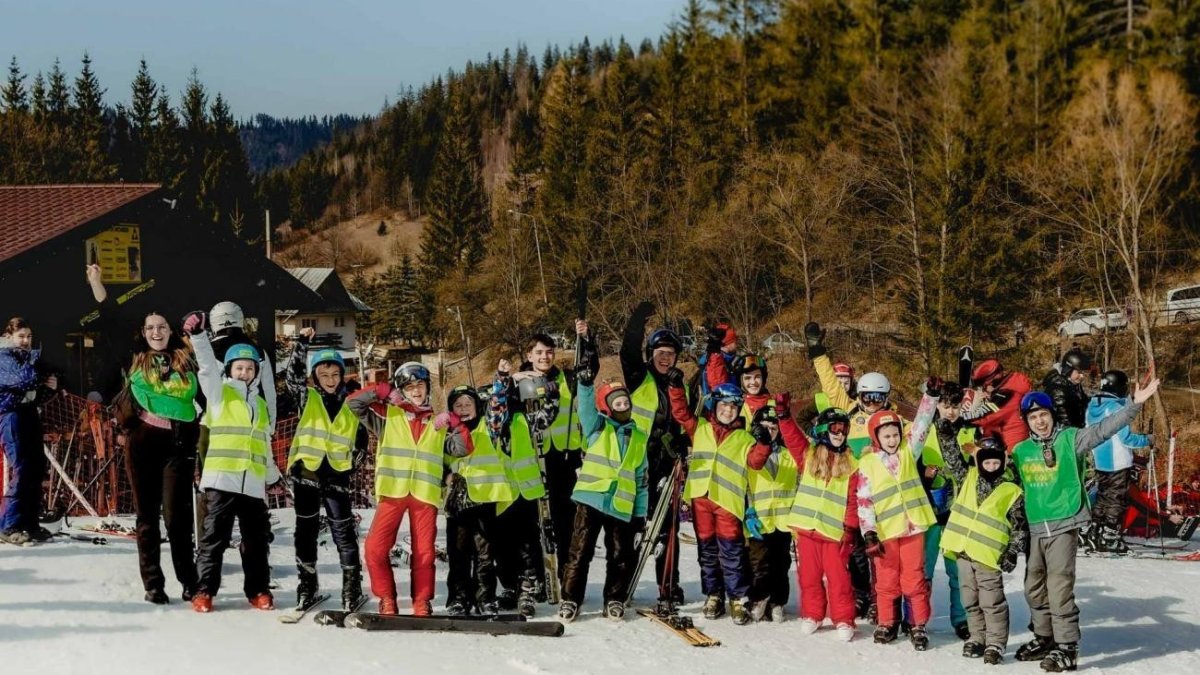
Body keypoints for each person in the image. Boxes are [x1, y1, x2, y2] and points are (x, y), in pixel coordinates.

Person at [1010, 379, 1159, 672]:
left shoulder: (1071, 440)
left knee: (1059, 586)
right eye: (1033, 417)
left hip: (1064, 523)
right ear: (1027, 421)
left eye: (1044, 415)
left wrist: (1134, 404)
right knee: (1033, 587)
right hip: (1037, 527)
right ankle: (1044, 637)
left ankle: (1067, 647)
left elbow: (1105, 430)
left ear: (1052, 415)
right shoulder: (1021, 451)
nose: (1040, 421)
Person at [185, 313, 283, 613]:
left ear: (255, 372)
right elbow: (205, 369)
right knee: (214, 538)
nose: (244, 372)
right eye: (239, 368)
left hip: (252, 483)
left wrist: (272, 475)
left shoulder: (261, 405)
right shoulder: (219, 395)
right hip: (222, 479)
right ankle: (204, 590)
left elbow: (263, 443)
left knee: (256, 542)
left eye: (249, 368)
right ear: (229, 369)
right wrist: (199, 337)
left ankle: (258, 590)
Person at [667, 378, 768, 625]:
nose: (727, 411)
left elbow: (756, 462)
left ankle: (737, 598)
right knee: (707, 553)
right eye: (723, 405)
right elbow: (681, 413)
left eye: (733, 407)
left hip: (728, 502)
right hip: (701, 499)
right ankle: (714, 594)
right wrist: (675, 388)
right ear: (715, 406)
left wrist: (764, 442)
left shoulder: (744, 438)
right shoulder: (700, 428)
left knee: (731, 553)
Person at [348, 361, 445, 616]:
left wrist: (455, 422)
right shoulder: (386, 415)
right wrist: (383, 390)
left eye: (420, 386)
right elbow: (354, 403)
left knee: (424, 553)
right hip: (393, 492)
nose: (416, 391)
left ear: (428, 388)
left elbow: (461, 447)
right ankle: (387, 598)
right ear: (401, 389)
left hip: (425, 495)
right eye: (409, 386)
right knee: (374, 549)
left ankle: (422, 601)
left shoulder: (438, 423)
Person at [282, 327, 365, 611]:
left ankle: (351, 586)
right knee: (305, 530)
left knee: (343, 530)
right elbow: (291, 377)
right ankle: (307, 585)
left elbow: (361, 434)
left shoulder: (353, 403)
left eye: (335, 375)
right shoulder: (308, 397)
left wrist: (358, 456)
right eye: (324, 375)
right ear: (316, 377)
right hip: (307, 472)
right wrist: (302, 344)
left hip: (337, 474)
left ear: (342, 375)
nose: (330, 381)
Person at [512, 322, 599, 589]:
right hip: (530, 461)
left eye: (549, 352)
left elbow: (589, 368)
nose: (544, 357)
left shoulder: (567, 379)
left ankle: (563, 576)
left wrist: (586, 338)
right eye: (539, 352)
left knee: (564, 523)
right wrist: (507, 380)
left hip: (562, 459)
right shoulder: (518, 382)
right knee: (530, 523)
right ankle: (534, 577)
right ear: (529, 355)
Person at [557, 376, 649, 623]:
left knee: (620, 555)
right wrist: (585, 385)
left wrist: (640, 514)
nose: (623, 407)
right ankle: (570, 598)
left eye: (625, 402)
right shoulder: (597, 428)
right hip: (592, 499)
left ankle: (614, 598)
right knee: (580, 551)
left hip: (621, 503)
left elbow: (641, 480)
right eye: (616, 404)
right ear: (607, 408)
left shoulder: (639, 438)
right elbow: (585, 408)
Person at [934, 429, 1028, 665]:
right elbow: (952, 456)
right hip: (963, 551)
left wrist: (1013, 552)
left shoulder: (1011, 490)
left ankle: (995, 642)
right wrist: (946, 435)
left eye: (996, 461)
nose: (991, 465)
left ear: (1004, 461)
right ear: (979, 460)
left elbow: (1019, 525)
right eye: (987, 460)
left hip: (988, 556)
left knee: (992, 601)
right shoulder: (969, 477)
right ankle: (977, 637)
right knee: (969, 598)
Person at [855, 384, 937, 651]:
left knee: (914, 578)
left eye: (895, 434)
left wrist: (930, 397)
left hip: (914, 526)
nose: (892, 440)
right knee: (887, 579)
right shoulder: (867, 463)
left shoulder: (907, 453)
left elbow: (923, 425)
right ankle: (887, 621)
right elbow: (864, 501)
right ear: (876, 438)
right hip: (886, 531)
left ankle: (917, 624)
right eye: (886, 436)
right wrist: (868, 532)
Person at [620, 301, 689, 604]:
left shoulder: (677, 384)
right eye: (661, 354)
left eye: (671, 355)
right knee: (633, 525)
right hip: (639, 463)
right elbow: (627, 351)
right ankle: (621, 583)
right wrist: (637, 321)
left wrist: (683, 442)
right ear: (652, 355)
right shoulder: (639, 376)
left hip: (667, 465)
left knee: (667, 527)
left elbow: (685, 419)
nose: (665, 359)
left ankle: (668, 585)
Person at [487, 358, 561, 617]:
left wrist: (552, 394)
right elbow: (496, 408)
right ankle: (509, 586)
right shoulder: (496, 421)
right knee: (502, 544)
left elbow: (547, 417)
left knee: (528, 543)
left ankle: (528, 587)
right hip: (502, 492)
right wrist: (502, 378)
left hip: (528, 491)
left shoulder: (526, 418)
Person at [784, 407, 859, 641]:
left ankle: (844, 619)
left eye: (844, 429)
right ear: (822, 430)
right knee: (808, 577)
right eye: (834, 428)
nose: (839, 433)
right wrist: (785, 416)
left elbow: (853, 500)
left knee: (839, 579)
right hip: (807, 529)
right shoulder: (808, 456)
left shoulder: (852, 464)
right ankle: (813, 614)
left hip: (833, 533)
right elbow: (793, 438)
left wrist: (850, 528)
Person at [909, 380, 976, 639]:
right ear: (937, 407)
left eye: (955, 406)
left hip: (958, 513)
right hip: (928, 511)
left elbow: (976, 468)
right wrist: (924, 477)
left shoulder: (970, 432)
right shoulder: (925, 431)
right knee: (923, 571)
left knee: (957, 572)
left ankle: (961, 619)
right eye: (946, 406)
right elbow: (908, 463)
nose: (950, 411)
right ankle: (918, 618)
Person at [442, 384, 512, 615]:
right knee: (458, 552)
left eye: (468, 404)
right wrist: (446, 476)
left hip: (485, 498)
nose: (463, 409)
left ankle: (485, 597)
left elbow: (498, 407)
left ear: (476, 406)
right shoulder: (446, 433)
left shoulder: (488, 427)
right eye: (458, 405)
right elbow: (436, 460)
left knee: (485, 553)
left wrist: (501, 379)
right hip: (457, 502)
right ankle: (459, 598)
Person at [0, 318, 59, 546]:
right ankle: (9, 525)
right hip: (10, 415)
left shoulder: (24, 358)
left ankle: (30, 524)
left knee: (36, 466)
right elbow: (24, 380)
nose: (26, 341)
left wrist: (49, 386)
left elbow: (36, 391)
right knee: (22, 467)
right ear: (10, 337)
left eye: (29, 337)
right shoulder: (4, 357)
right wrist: (38, 369)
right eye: (21, 336)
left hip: (29, 413)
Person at [1085, 370, 1152, 554]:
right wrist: (1147, 439)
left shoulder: (1092, 405)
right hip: (1118, 461)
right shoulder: (1116, 408)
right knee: (1117, 500)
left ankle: (1095, 531)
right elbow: (1126, 439)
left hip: (1100, 461)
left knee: (1103, 497)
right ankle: (1109, 538)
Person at [969, 359, 1034, 452]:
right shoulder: (1012, 388)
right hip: (1014, 444)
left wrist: (958, 419)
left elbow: (982, 418)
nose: (984, 391)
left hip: (1013, 449)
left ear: (991, 383)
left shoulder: (1006, 395)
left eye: (984, 387)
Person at [1041, 349, 1091, 429]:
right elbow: (1064, 420)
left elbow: (1084, 402)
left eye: (1083, 373)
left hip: (1078, 427)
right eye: (1079, 372)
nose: (1082, 376)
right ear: (1068, 369)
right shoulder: (1058, 388)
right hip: (1066, 435)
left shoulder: (1072, 383)